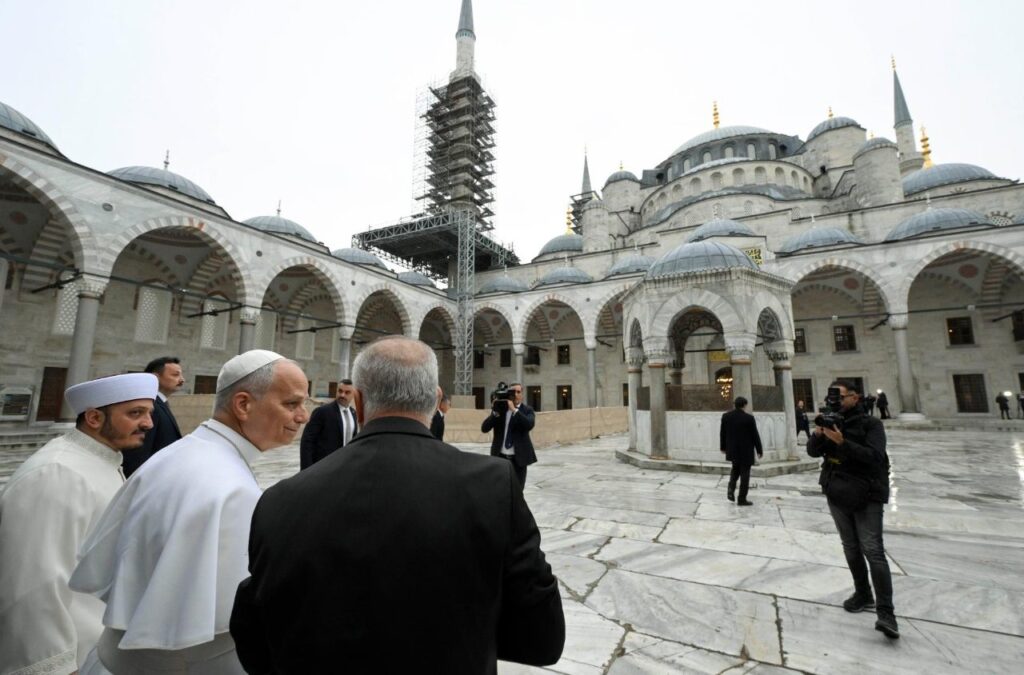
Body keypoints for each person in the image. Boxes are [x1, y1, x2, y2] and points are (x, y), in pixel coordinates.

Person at [230, 336, 565, 672]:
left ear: (358, 403)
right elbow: (542, 639)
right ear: (435, 400)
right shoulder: (493, 485)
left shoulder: (280, 500)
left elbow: (255, 641)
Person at [70, 350, 309, 674]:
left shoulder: (185, 453)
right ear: (243, 404)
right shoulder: (228, 488)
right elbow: (219, 631)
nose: (303, 416)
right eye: (292, 404)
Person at [0, 373, 157, 675]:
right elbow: (33, 584)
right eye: (135, 413)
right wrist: (55, 666)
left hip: (99, 649)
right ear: (95, 418)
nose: (148, 423)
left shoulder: (100, 460)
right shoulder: (57, 473)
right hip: (73, 657)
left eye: (149, 413)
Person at [807, 379, 899, 639]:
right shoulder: (831, 421)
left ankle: (886, 612)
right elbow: (813, 452)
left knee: (873, 550)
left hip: (866, 493)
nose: (835, 401)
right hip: (837, 491)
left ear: (855, 398)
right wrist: (819, 435)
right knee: (850, 546)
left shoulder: (871, 424)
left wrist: (842, 441)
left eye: (840, 396)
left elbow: (875, 457)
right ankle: (863, 593)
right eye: (832, 396)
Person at [121, 356, 184, 477]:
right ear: (155, 377)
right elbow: (139, 452)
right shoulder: (150, 406)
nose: (182, 380)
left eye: (181, 375)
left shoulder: (160, 403)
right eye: (175, 375)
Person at [481, 382, 536, 487]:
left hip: (519, 459)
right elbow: (484, 428)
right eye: (512, 392)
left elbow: (529, 425)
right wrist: (494, 412)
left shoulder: (527, 410)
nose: (515, 395)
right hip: (501, 457)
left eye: (518, 392)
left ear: (522, 394)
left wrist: (514, 410)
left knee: (518, 489)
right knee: (501, 488)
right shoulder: (501, 410)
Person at [299, 378, 357, 470]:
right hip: (324, 467)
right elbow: (307, 441)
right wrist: (306, 470)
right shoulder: (322, 412)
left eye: (347, 392)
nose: (342, 395)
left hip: (345, 466)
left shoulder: (353, 413)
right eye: (340, 391)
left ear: (354, 394)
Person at [719, 396, 763, 506]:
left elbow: (722, 433)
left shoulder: (726, 416)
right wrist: (759, 450)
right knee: (745, 475)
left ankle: (731, 489)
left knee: (735, 470)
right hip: (746, 451)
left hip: (733, 450)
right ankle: (742, 499)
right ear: (744, 405)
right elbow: (755, 435)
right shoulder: (749, 418)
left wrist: (723, 447)